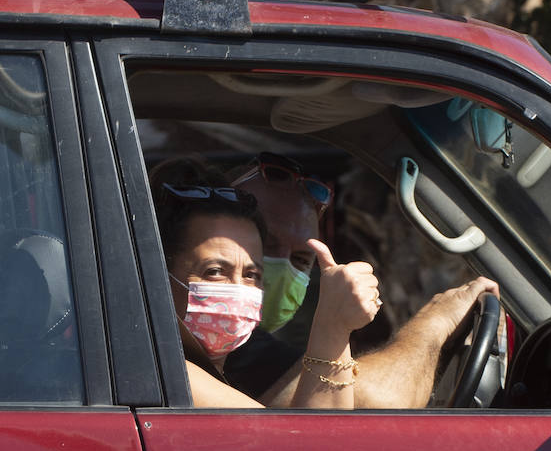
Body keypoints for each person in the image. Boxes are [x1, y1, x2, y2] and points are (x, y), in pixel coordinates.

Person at [226, 151, 500, 408]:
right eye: (267, 245)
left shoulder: (243, 347)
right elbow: (377, 404)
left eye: (300, 260)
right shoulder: (228, 347)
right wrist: (437, 321)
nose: (281, 269)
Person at [152, 159, 380, 409]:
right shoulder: (161, 374)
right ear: (158, 277)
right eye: (215, 271)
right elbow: (311, 444)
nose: (237, 289)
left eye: (251, 274)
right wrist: (333, 325)